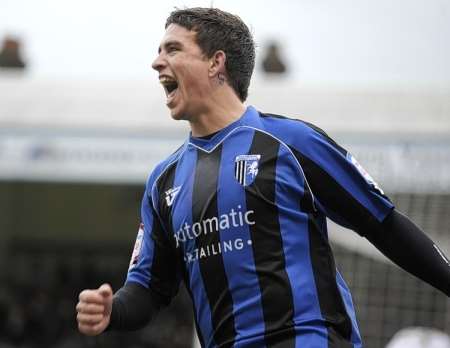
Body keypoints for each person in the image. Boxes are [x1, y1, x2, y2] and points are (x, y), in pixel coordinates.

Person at [76, 7, 450, 348]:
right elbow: (148, 287)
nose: (157, 62)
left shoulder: (292, 143)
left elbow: (382, 224)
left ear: (215, 63)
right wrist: (112, 311)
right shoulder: (164, 182)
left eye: (172, 49)